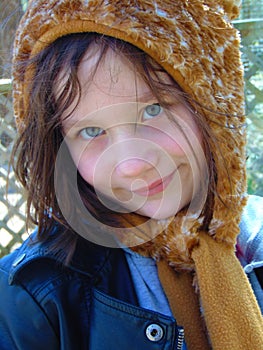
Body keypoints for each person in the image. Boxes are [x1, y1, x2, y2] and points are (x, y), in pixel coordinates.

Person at [0, 0, 262, 349]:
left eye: (153, 110)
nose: (131, 165)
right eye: (91, 132)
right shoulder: (31, 298)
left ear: (213, 97)